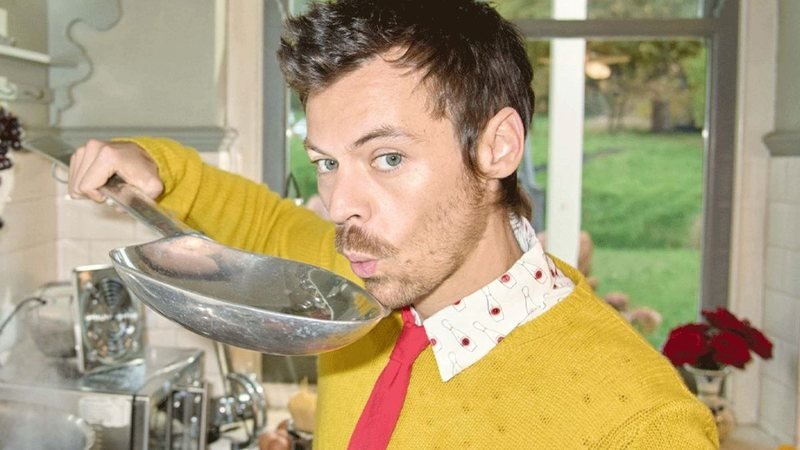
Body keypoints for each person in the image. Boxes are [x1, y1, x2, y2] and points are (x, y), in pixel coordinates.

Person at [68, 0, 719, 448]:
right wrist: (155, 169)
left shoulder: (641, 425)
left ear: (497, 147)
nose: (340, 207)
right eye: (327, 163)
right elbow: (263, 223)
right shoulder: (347, 287)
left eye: (387, 158)